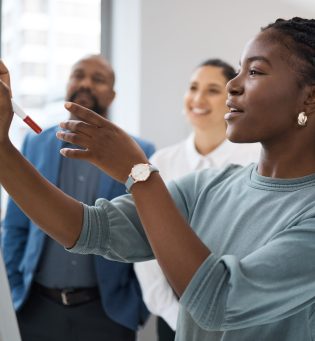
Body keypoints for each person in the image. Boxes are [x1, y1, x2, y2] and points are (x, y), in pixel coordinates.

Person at [0, 16, 315, 341]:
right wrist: (2, 148)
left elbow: (218, 302)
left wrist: (139, 174)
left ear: (309, 97)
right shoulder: (208, 186)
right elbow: (88, 229)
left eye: (255, 71)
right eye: (238, 70)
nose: (233, 85)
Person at [1, 54, 155, 341]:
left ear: (112, 94)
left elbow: (150, 231)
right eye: (78, 75)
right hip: (36, 310)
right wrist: (13, 287)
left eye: (98, 79)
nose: (85, 83)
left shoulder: (139, 151)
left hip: (108, 315)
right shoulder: (35, 142)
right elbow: (14, 226)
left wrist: (135, 307)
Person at [134, 58, 260, 340]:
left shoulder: (257, 162)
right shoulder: (159, 163)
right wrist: (173, 315)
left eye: (213, 90)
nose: (198, 98)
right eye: (193, 88)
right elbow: (145, 245)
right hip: (173, 318)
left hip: (240, 321)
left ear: (233, 98)